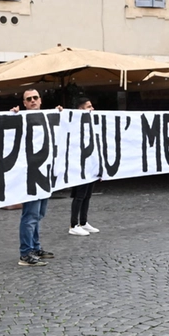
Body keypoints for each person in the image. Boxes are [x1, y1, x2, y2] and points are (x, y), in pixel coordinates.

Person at [13, 88, 57, 266]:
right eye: (28, 99)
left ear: (40, 100)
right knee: (30, 215)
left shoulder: (48, 117)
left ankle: (35, 247)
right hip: (29, 175)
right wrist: (12, 115)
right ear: (24, 103)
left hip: (44, 173)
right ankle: (25, 254)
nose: (32, 101)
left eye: (35, 98)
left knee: (38, 214)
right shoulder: (19, 119)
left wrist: (59, 114)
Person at [68, 98, 100, 235]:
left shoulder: (92, 124)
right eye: (89, 106)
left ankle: (83, 222)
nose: (92, 109)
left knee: (87, 195)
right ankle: (73, 225)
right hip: (79, 165)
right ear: (81, 109)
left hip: (90, 164)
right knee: (80, 195)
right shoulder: (74, 125)